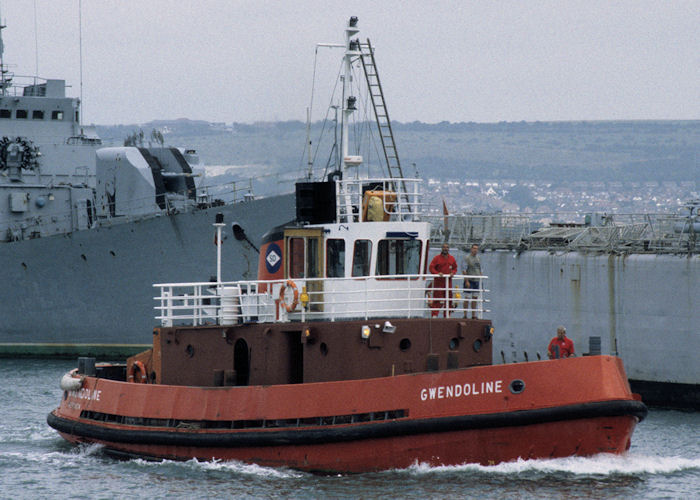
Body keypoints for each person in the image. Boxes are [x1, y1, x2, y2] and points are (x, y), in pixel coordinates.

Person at [429, 243, 457, 317]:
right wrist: (437, 273)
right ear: (441, 248)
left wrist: (452, 273)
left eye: (447, 247)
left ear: (449, 249)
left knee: (449, 298)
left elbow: (455, 268)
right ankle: (434, 315)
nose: (445, 249)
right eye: (444, 247)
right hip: (438, 282)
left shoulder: (452, 258)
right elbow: (431, 268)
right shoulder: (436, 258)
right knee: (437, 298)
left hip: (448, 282)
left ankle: (447, 315)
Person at [463, 243, 482, 319]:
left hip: (476, 281)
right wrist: (466, 281)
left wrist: (480, 276)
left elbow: (480, 268)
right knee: (467, 297)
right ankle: (465, 314)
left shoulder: (478, 258)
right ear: (471, 249)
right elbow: (464, 270)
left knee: (475, 297)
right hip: (469, 280)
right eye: (474, 248)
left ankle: (473, 315)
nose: (475, 250)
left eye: (476, 249)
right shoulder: (467, 258)